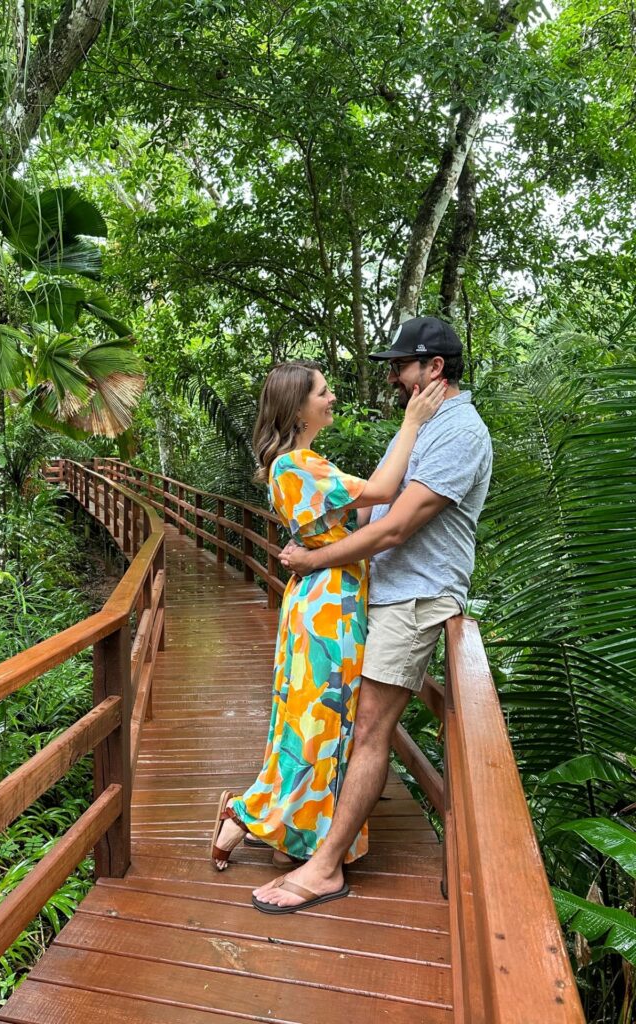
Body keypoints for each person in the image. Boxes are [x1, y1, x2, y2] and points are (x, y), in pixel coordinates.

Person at [252, 316, 493, 913]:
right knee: (342, 725)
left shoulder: (460, 432)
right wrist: (319, 546)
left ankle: (325, 866)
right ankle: (305, 840)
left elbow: (395, 527)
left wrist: (314, 559)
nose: (390, 375)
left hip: (413, 597)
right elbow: (365, 510)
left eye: (400, 365)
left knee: (367, 730)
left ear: (433, 368)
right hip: (377, 596)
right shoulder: (420, 425)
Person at [210, 359, 446, 886]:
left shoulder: (308, 462)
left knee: (316, 722)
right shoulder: (296, 466)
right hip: (327, 605)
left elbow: (361, 515)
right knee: (318, 724)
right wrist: (412, 421)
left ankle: (282, 836)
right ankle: (256, 819)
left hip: (330, 597)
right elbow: (384, 494)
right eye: (323, 391)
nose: (332, 397)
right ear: (297, 407)